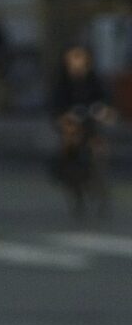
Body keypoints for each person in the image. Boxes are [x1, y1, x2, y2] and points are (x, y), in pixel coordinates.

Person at [49, 45, 116, 219]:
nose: (76, 62)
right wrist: (67, 118)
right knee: (71, 169)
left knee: (98, 162)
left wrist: (101, 111)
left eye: (80, 57)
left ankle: (100, 196)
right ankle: (77, 199)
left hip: (93, 130)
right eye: (72, 58)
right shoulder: (62, 83)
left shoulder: (94, 80)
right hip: (71, 134)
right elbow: (56, 110)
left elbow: (107, 105)